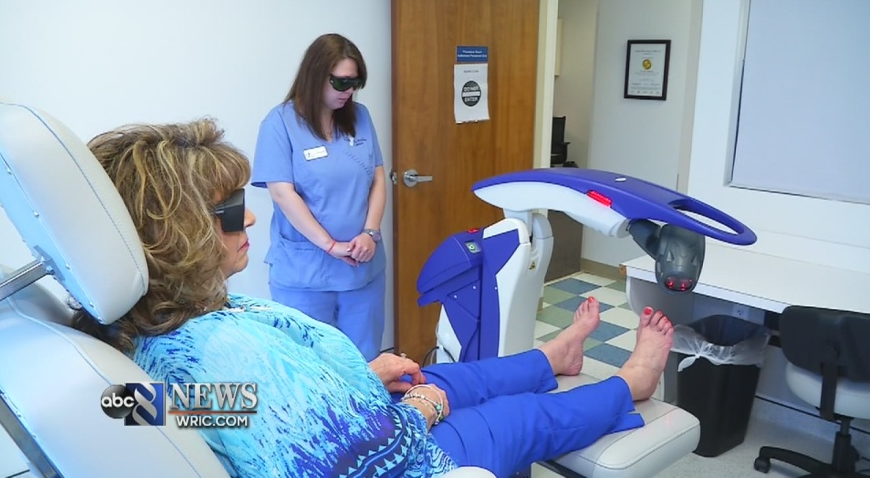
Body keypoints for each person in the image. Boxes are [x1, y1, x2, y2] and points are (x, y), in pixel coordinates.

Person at [72, 118, 676, 478]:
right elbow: (363, 466)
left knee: (458, 375)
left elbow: (229, 409)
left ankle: (554, 358)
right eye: (228, 210)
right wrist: (422, 410)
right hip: (401, 454)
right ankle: (631, 384)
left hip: (359, 410)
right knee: (522, 417)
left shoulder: (149, 328)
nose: (250, 218)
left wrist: (356, 378)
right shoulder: (221, 350)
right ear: (172, 236)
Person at [251, 32, 386, 361]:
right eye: (341, 82)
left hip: (361, 270)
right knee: (311, 367)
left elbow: (378, 177)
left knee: (365, 363)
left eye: (355, 83)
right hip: (305, 276)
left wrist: (370, 232)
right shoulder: (279, 123)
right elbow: (282, 193)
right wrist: (330, 245)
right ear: (315, 76)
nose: (349, 91)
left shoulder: (360, 117)